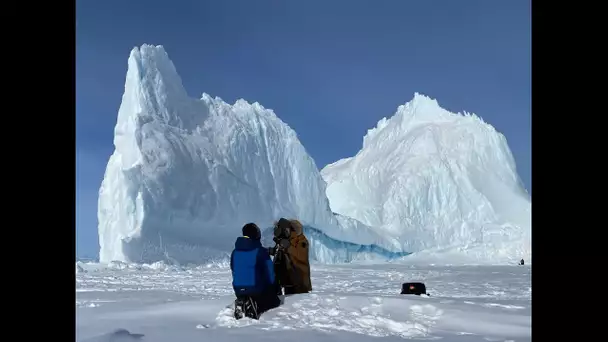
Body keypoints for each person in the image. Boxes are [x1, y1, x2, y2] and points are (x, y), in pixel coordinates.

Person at [230, 223, 281, 319]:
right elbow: (270, 274)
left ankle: (244, 301)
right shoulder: (260, 252)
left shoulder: (235, 252)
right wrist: (275, 287)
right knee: (275, 301)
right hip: (256, 289)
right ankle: (255, 305)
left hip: (238, 289)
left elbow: (233, 269)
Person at [270, 218, 312, 295]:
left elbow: (300, 254)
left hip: (299, 280)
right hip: (287, 278)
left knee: (298, 301)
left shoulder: (300, 239)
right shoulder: (284, 240)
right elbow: (280, 252)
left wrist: (287, 247)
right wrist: (272, 250)